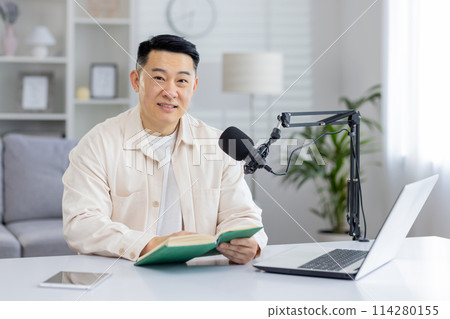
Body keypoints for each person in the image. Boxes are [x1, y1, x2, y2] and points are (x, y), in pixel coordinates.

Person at [62, 34, 267, 265]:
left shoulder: (219, 144)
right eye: (159, 78)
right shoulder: (98, 143)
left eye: (181, 81)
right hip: (125, 276)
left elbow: (242, 214)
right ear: (136, 80)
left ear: (194, 86)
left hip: (202, 278)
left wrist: (250, 243)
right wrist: (149, 244)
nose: (170, 92)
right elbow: (81, 224)